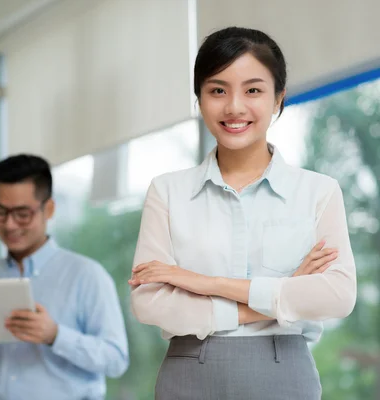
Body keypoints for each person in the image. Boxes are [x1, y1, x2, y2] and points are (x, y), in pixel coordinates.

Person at [128, 26, 356, 399]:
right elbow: (150, 302)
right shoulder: (167, 191)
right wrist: (279, 295)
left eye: (253, 90)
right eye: (218, 90)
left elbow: (337, 295)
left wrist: (202, 282)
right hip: (189, 372)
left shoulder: (318, 192)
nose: (234, 107)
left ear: (279, 98)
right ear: (199, 99)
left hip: (285, 374)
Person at [0, 154, 129, 400]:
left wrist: (56, 336)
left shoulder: (87, 275)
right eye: (0, 211)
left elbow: (116, 360)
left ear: (48, 209)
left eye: (22, 214)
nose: (9, 225)